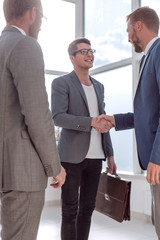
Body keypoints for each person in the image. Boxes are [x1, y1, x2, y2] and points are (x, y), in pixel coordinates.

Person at [0, 0, 66, 239]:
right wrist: (55, 166)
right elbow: (37, 114)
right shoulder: (25, 45)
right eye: (41, 17)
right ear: (32, 13)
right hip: (23, 171)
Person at [97, 6, 160, 239]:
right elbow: (149, 114)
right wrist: (115, 120)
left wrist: (157, 157)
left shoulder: (159, 52)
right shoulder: (148, 58)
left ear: (139, 26)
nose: (128, 37)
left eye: (128, 30)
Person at [51, 37, 116, 240]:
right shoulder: (61, 83)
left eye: (91, 51)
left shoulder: (99, 86)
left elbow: (103, 120)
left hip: (96, 157)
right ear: (72, 57)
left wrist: (110, 154)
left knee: (88, 208)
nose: (90, 54)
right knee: (69, 210)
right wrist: (90, 122)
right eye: (84, 52)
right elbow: (58, 117)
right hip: (71, 157)